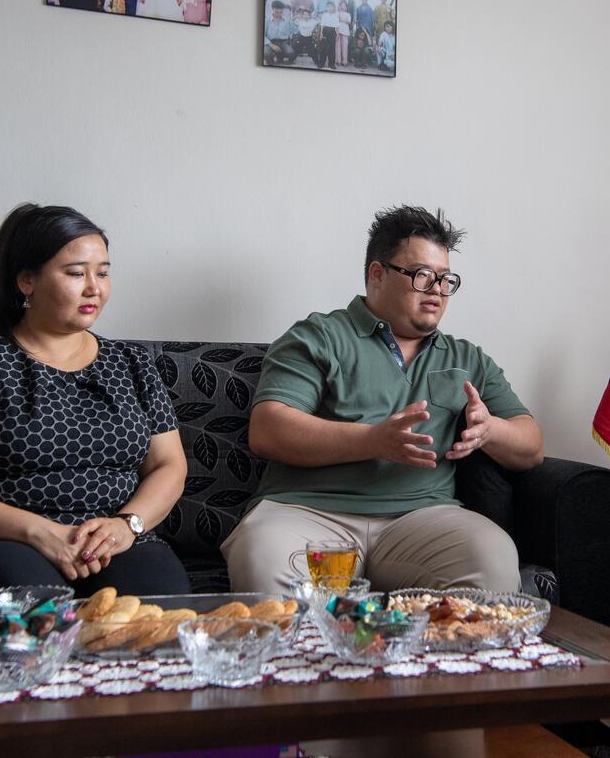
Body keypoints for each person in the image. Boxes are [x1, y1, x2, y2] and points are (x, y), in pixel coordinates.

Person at [221, 206, 544, 595]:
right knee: (261, 555)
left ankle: (435, 640)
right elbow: (269, 429)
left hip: (422, 519)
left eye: (445, 279)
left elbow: (531, 447)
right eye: (422, 275)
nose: (437, 290)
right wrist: (372, 440)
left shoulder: (467, 358)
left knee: (491, 555)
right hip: (307, 513)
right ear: (377, 273)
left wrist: (491, 430)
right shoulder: (319, 336)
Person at [0, 204, 191, 610]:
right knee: (38, 612)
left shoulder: (132, 364)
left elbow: (169, 465)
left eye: (103, 273)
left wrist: (127, 525)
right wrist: (40, 532)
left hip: (112, 538)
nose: (94, 288)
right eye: (76, 274)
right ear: (27, 280)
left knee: (157, 610)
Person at [263, 0, 296, 65]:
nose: (278, 14)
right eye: (276, 12)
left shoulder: (287, 20)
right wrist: (272, 45)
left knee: (291, 53)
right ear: (272, 9)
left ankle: (280, 58)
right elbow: (262, 36)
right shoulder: (267, 20)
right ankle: (270, 62)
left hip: (283, 42)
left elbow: (295, 30)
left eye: (281, 12)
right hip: (270, 42)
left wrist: (295, 18)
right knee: (266, 53)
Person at [318, 1, 339, 69]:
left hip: (332, 32)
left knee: (332, 49)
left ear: (334, 8)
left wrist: (337, 34)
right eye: (328, 6)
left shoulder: (335, 15)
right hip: (325, 31)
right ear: (326, 8)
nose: (330, 8)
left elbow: (337, 26)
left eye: (331, 6)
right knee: (323, 48)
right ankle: (321, 63)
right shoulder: (324, 15)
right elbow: (322, 25)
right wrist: (321, 33)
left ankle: (331, 64)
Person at [335, 1, 351, 68]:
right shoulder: (337, 13)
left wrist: (341, 20)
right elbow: (336, 20)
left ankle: (345, 61)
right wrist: (342, 20)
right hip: (338, 31)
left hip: (345, 31)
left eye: (344, 5)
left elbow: (348, 21)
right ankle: (338, 61)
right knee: (338, 46)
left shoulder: (348, 14)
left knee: (345, 47)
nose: (342, 7)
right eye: (341, 5)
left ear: (346, 7)